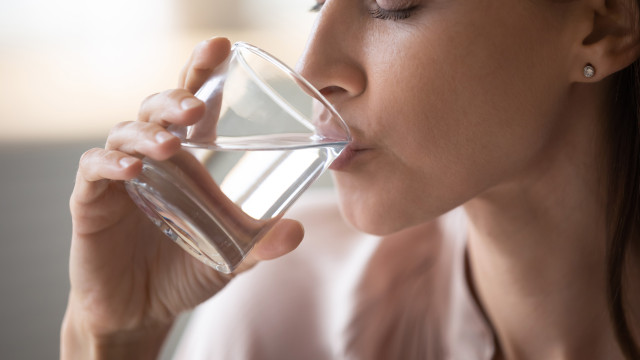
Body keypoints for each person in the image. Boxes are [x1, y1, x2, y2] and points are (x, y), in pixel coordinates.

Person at [61, 0, 640, 358]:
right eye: (317, 3)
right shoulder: (286, 307)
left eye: (391, 4)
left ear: (605, 21)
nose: (311, 73)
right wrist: (113, 339)